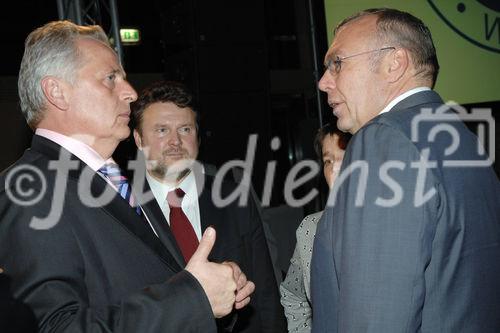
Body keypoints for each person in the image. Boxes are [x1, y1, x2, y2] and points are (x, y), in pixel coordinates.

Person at [0, 20, 254, 332]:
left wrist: (214, 294)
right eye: (110, 79)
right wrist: (195, 297)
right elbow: (57, 327)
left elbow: (156, 284)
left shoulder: (116, 180)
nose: (131, 93)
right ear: (57, 92)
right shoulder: (29, 189)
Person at [311, 8, 500, 332]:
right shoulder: (464, 140)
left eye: (338, 63)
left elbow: (376, 320)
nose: (324, 81)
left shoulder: (384, 140)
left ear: (394, 63)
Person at [130, 80, 287, 332]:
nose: (175, 141)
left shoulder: (236, 199)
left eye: (185, 129)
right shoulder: (123, 208)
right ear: (138, 139)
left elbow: (266, 295)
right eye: (161, 130)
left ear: (198, 137)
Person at [280, 123, 350, 332]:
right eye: (329, 161)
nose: (336, 170)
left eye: (346, 157)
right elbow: (293, 295)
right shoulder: (310, 230)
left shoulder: (395, 227)